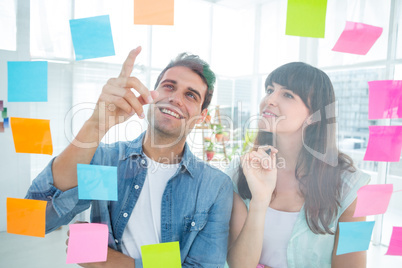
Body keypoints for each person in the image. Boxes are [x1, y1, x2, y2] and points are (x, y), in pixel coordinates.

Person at [26, 47, 233, 267]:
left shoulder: (214, 186)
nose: (174, 98)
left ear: (202, 116)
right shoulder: (108, 162)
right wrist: (96, 125)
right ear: (150, 95)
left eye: (190, 95)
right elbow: (35, 219)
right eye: (169, 86)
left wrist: (107, 261)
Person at [226, 62, 370, 268]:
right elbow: (238, 265)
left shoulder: (352, 186)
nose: (269, 100)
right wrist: (260, 200)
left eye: (288, 95)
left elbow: (353, 263)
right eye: (269, 90)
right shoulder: (240, 173)